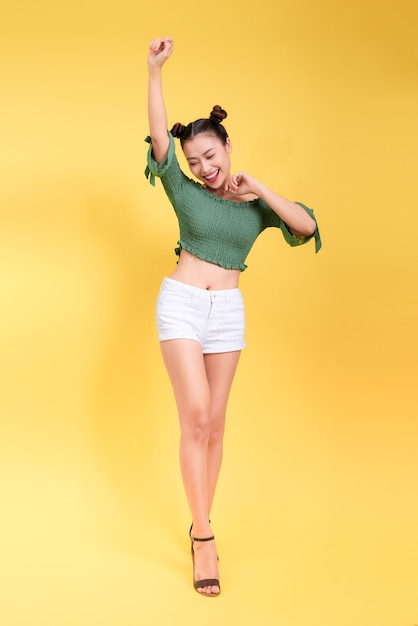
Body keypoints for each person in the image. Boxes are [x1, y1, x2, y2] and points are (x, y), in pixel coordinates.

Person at [145, 37, 321, 597]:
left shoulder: (252, 204)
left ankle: (202, 522)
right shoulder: (183, 189)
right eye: (194, 161)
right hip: (182, 304)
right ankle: (203, 537)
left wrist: (258, 188)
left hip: (228, 313)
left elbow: (306, 226)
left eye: (210, 156)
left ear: (225, 146)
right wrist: (154, 72)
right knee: (195, 415)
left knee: (215, 425)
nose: (202, 166)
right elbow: (159, 142)